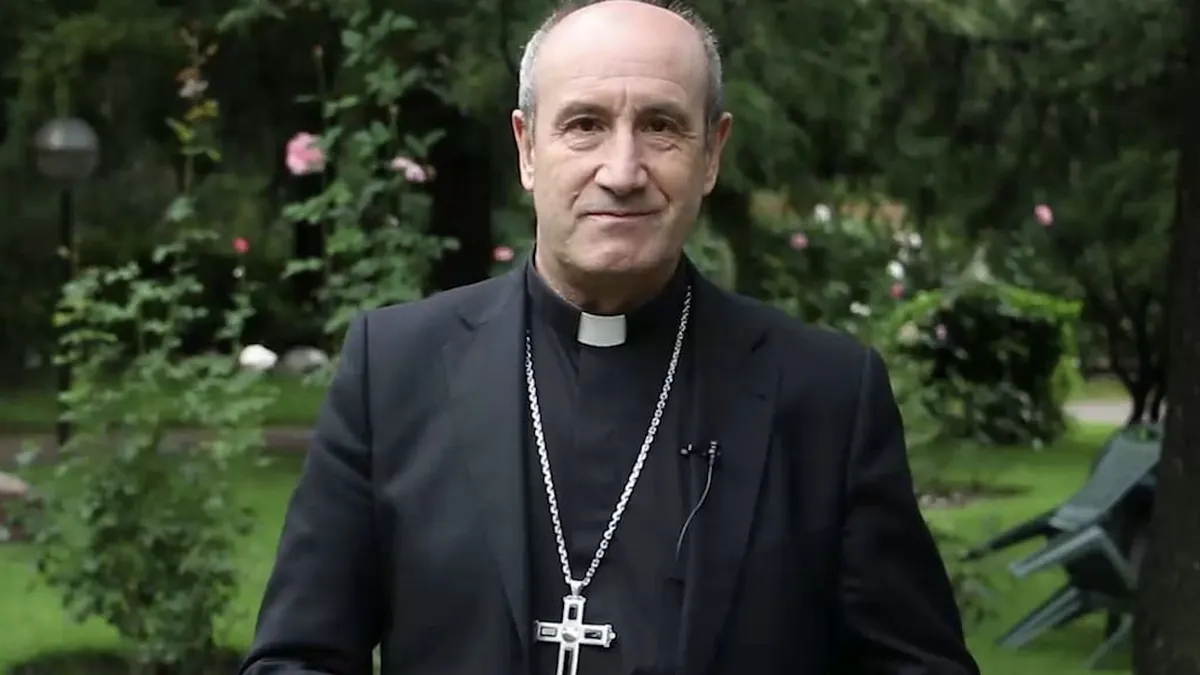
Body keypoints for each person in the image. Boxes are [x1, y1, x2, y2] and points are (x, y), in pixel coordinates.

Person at [239, 0, 982, 673]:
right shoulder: (394, 369)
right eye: (585, 124)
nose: (622, 171)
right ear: (528, 148)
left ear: (712, 153)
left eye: (660, 126)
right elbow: (298, 657)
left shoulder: (826, 394)